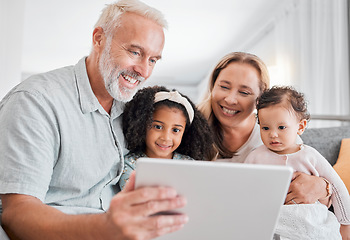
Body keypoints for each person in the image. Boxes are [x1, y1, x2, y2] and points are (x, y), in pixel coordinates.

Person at [0, 1, 189, 239]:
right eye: (135, 52)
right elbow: (16, 214)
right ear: (99, 38)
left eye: (152, 60)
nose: (144, 71)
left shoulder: (134, 110)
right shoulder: (35, 101)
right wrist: (102, 229)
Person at [197, 52, 331, 205]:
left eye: (244, 92)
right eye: (224, 87)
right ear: (212, 87)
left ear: (260, 98)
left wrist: (323, 188)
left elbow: (323, 205)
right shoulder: (190, 129)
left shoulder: (277, 135)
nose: (230, 99)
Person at [245, 86, 350, 239]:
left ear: (300, 127)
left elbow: (337, 187)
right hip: (273, 221)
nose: (273, 134)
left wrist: (345, 224)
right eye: (265, 128)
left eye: (281, 127)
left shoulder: (310, 155)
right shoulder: (255, 157)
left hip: (311, 220)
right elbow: (243, 189)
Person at [119, 86, 215, 189]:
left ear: (184, 133)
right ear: (142, 125)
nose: (166, 138)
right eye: (158, 127)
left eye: (176, 130)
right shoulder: (130, 165)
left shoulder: (190, 165)